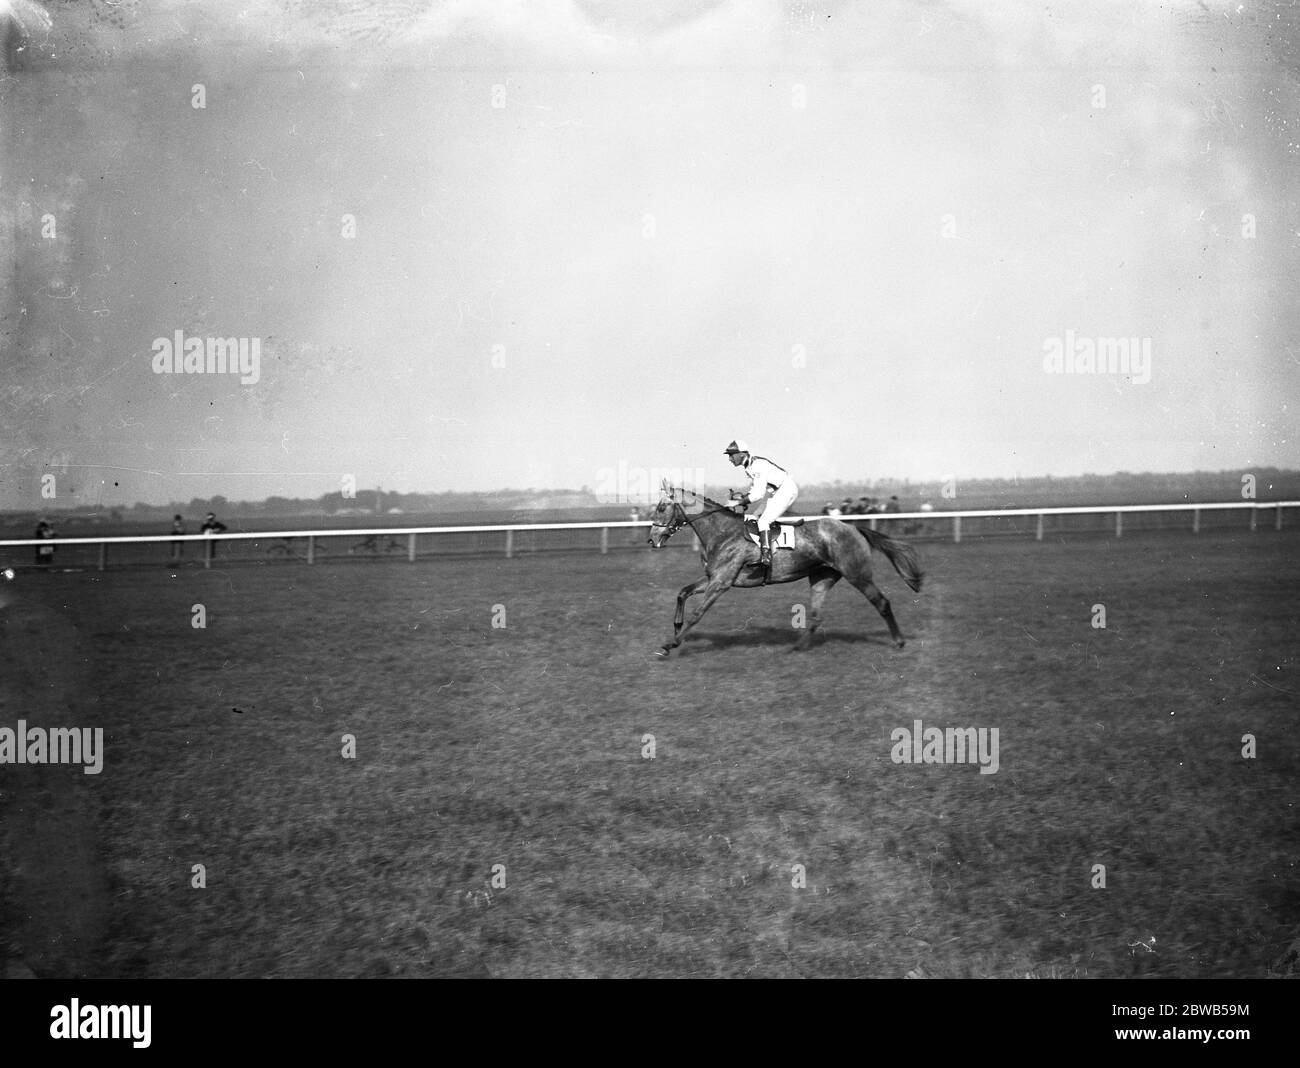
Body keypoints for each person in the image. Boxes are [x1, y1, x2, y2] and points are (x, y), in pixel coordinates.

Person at [724, 439, 799, 573]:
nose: (730, 459)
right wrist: (743, 498)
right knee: (753, 517)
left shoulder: (757, 465)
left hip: (785, 490)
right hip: (774, 492)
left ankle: (766, 557)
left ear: (742, 454)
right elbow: (755, 491)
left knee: (764, 521)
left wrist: (739, 502)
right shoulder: (749, 467)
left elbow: (757, 494)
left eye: (731, 455)